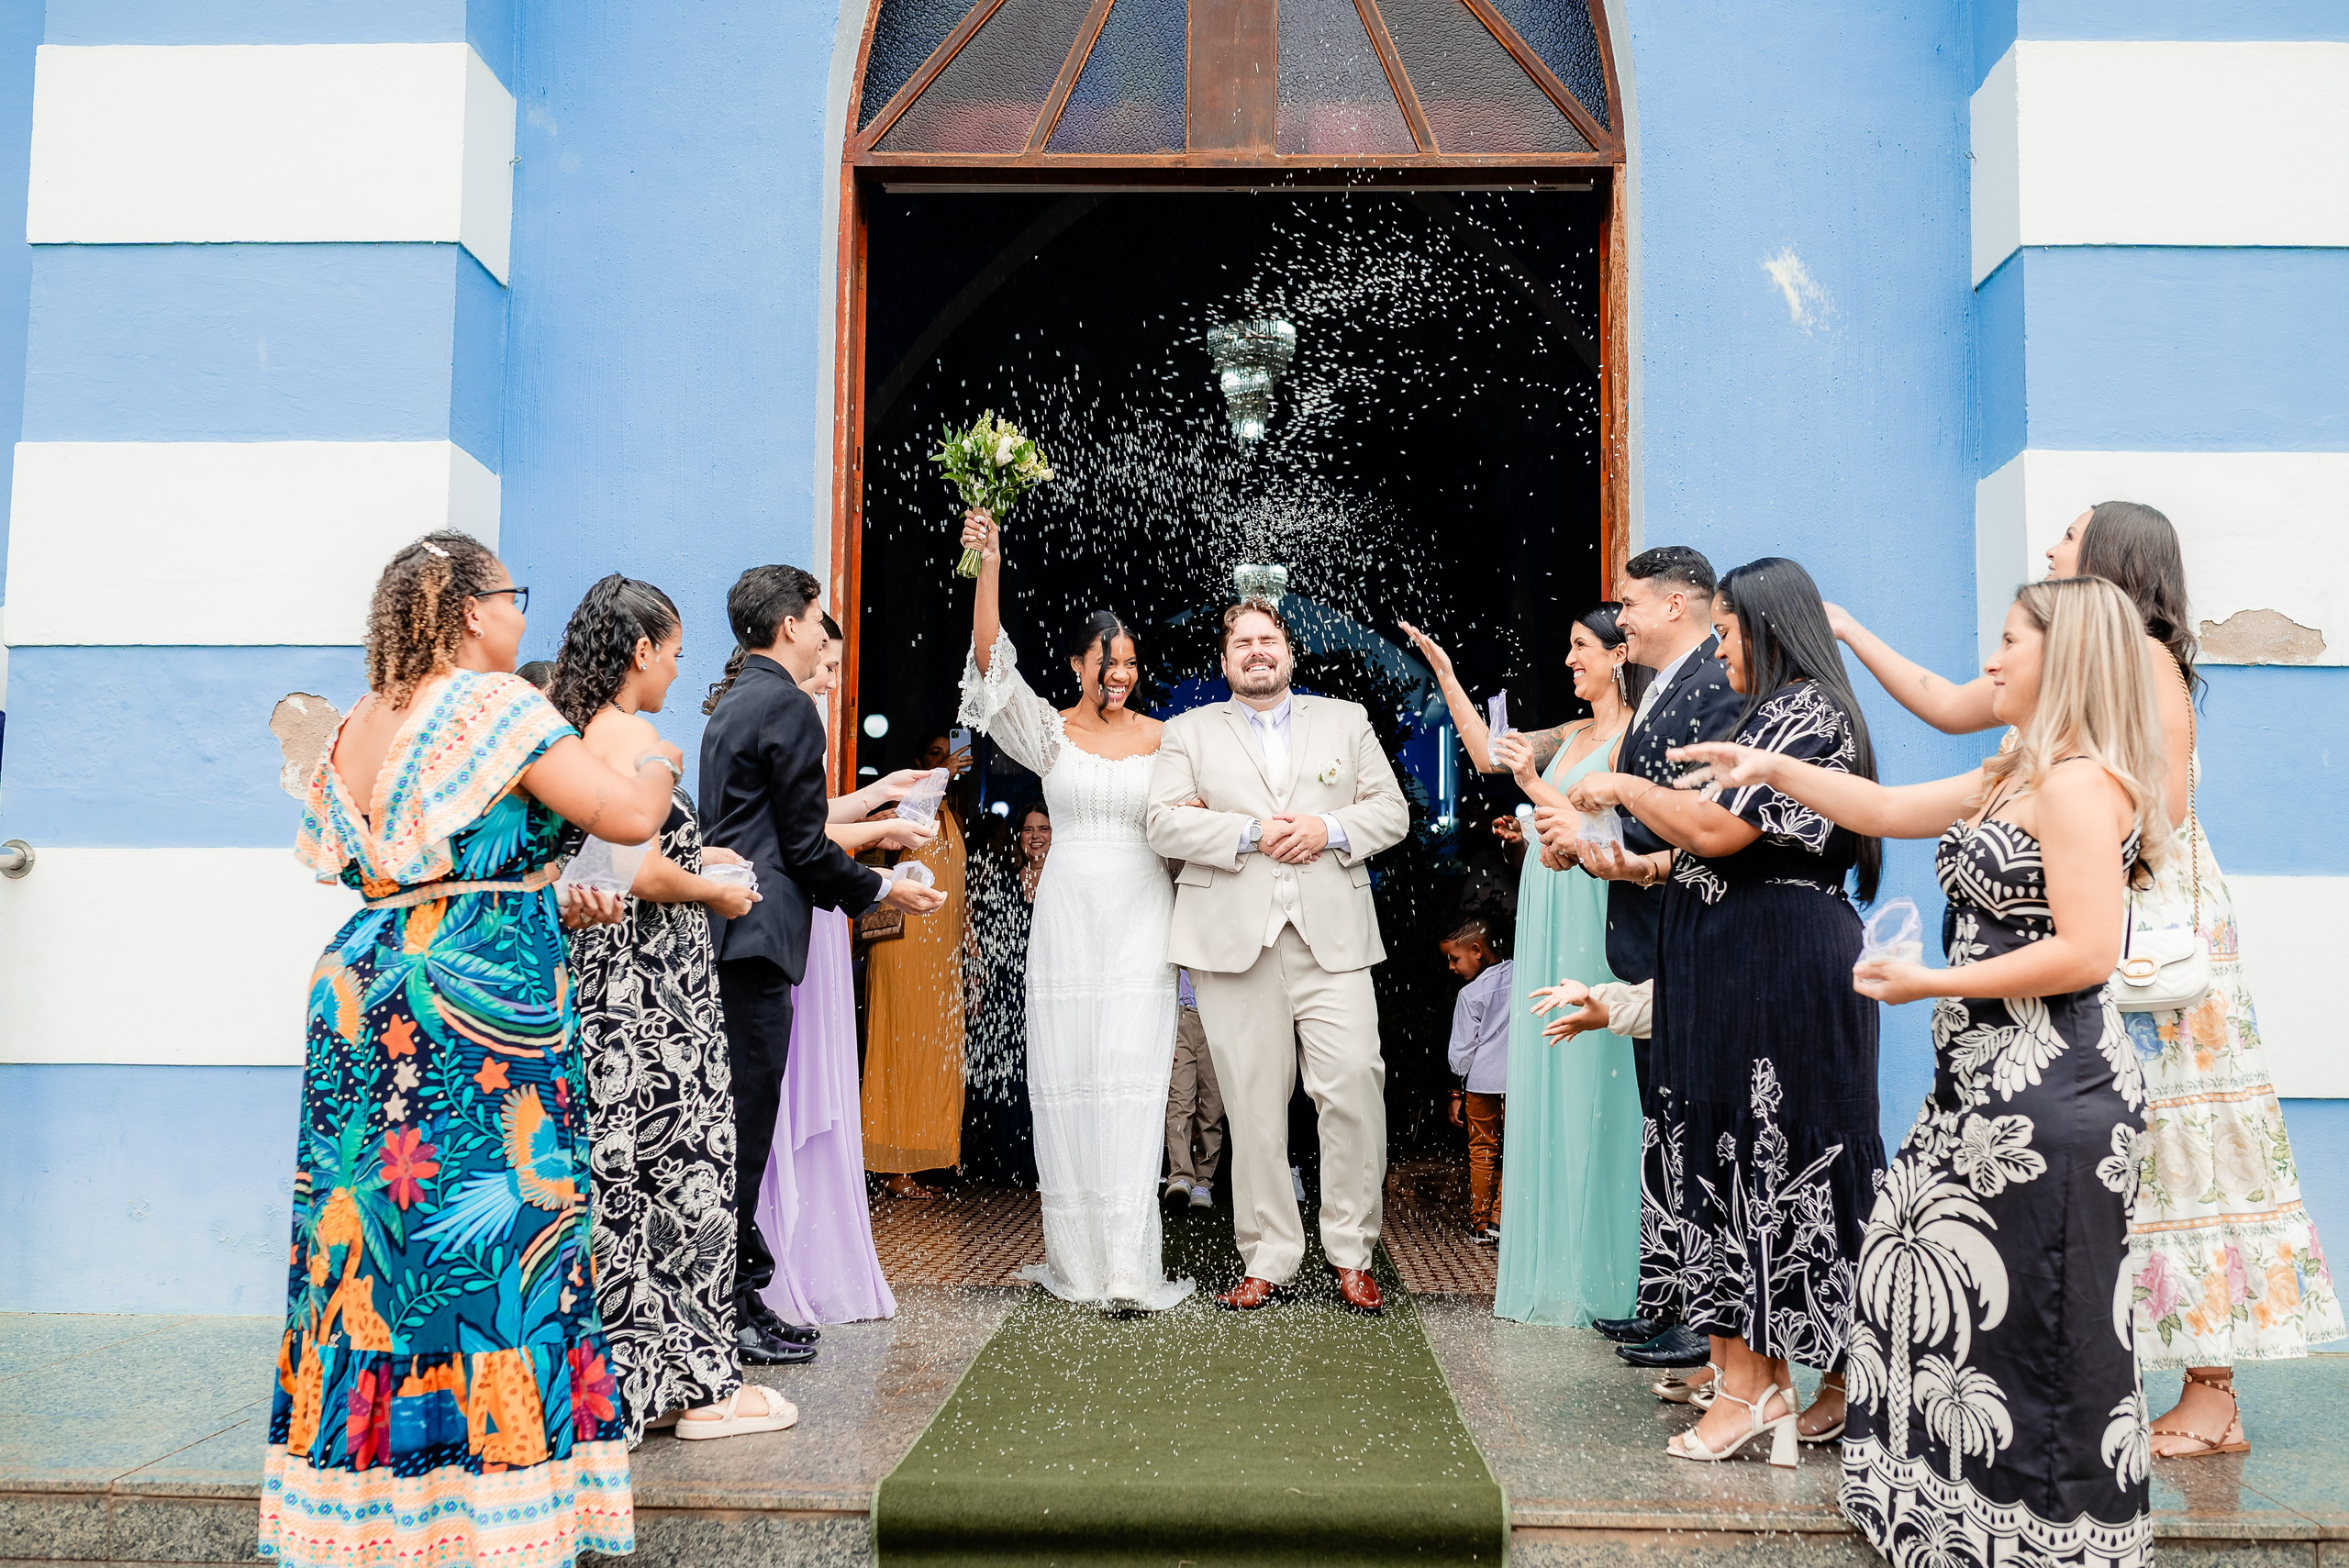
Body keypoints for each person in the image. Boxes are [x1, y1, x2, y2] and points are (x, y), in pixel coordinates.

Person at [1829, 502, 2341, 1457]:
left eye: (2071, 533)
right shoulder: (2065, 664)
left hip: (2153, 911)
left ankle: (2213, 1389)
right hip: (2110, 889)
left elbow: (2167, 803)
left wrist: (2072, 797)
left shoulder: (2136, 660)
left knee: (2181, 1133)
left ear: (2109, 559)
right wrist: (1852, 632)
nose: (2055, 543)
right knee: (2134, 1145)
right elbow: (1945, 703)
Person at [1676, 574, 2165, 1565]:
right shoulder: (2016, 770)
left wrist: (1930, 978)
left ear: (2061, 657)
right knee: (1923, 1290)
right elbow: (1888, 806)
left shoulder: (2076, 784)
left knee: (2040, 1322)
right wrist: (1765, 764)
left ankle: (2048, 1534)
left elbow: (2087, 952)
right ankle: (1954, 1522)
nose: (1988, 662)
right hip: (1976, 1086)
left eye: (2008, 643)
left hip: (2049, 1089)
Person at [266, 532, 677, 1564]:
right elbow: (629, 813)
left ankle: (368, 1511)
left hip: (363, 990)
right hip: (471, 1001)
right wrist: (657, 752)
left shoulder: (359, 721)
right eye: (511, 596)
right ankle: (485, 1515)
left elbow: (434, 871)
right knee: (491, 1240)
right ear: (465, 608)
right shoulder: (494, 704)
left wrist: (542, 901)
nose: (521, 617)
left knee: (374, 1244)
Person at [1569, 558, 1885, 1462]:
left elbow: (1720, 831)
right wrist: (1631, 862)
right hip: (1732, 956)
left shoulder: (1805, 717)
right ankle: (1771, 1380)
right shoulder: (1769, 715)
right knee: (1727, 1153)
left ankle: (1753, 1388)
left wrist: (1622, 790)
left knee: (1760, 1156)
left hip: (1774, 966)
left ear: (1769, 631)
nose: (1721, 645)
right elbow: (1714, 852)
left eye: (1732, 631)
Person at [551, 574, 797, 1441]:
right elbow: (636, 868)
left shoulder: (575, 732)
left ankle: (626, 1377)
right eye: (676, 653)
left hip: (609, 988)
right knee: (684, 1172)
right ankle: (696, 1388)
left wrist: (704, 853)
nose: (677, 672)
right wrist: (716, 892)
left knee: (621, 1180)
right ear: (642, 650)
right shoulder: (631, 735)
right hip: (651, 998)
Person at [700, 566, 945, 1358]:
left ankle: (746, 1290)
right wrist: (883, 888)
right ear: (789, 626)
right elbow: (803, 849)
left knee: (745, 1126)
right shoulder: (790, 708)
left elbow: (774, 826)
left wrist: (871, 801)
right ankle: (733, 1309)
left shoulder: (735, 704)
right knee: (749, 1128)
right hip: (763, 934)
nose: (822, 634)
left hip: (732, 930)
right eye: (817, 619)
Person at [1146, 597, 1412, 1314]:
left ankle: (1352, 1251)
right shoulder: (1188, 732)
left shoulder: (1345, 720)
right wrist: (1248, 832)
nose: (1257, 651)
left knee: (1355, 1082)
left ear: (1289, 652)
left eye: (1268, 640)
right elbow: (1162, 820)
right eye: (1243, 643)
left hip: (1334, 937)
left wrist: (1325, 827)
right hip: (1233, 939)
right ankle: (1269, 1257)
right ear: (1225, 660)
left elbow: (1391, 812)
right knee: (1253, 1104)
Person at [956, 508, 1191, 1307]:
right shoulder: (1050, 734)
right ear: (1078, 663)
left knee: (1131, 1076)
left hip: (1140, 919)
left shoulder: (1166, 738)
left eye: (1129, 662)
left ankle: (1129, 1262)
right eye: (1107, 660)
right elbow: (990, 664)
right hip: (1068, 919)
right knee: (1073, 1073)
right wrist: (991, 558)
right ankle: (1082, 1261)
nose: (1121, 673)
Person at [1408, 605, 1642, 1324]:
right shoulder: (1570, 734)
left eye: (1580, 647)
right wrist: (1445, 674)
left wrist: (1544, 800)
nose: (1569, 660)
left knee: (1599, 1079)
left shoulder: (1643, 735)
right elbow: (1486, 754)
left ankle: (1611, 1272)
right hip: (1547, 907)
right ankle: (1555, 1263)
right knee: (1545, 1074)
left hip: (1595, 910)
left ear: (1618, 655)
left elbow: (1628, 828)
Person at [1543, 547, 1742, 1369]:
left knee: (1693, 1129)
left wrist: (1618, 847)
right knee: (1665, 1128)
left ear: (1675, 604)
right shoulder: (1662, 687)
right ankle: (1663, 1296)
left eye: (1627, 604)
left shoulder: (1717, 684)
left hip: (1685, 926)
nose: (1618, 618)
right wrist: (1595, 850)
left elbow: (1701, 813)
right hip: (1646, 929)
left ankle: (1700, 1316)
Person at [756, 617, 924, 1324]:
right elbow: (798, 837)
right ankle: (780, 1262)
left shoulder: (788, 723)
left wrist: (881, 791)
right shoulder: (777, 718)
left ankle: (813, 1253)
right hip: (801, 908)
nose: (831, 681)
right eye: (826, 665)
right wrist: (882, 838)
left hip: (820, 915)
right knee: (789, 1091)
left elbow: (816, 816)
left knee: (818, 1087)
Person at [861, 728, 973, 1195]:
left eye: (951, 757)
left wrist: (970, 949)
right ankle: (891, 1162)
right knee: (899, 1043)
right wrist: (937, 778)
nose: (945, 763)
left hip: (941, 953)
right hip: (903, 946)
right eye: (934, 755)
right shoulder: (912, 805)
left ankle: (927, 1155)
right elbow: (901, 830)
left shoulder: (953, 817)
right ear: (919, 762)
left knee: (935, 1048)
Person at [963, 800, 1048, 1190]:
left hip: (1047, 994)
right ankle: (1005, 1163)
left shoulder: (1063, 886)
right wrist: (979, 985)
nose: (1036, 837)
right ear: (1019, 837)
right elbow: (981, 934)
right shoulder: (1004, 882)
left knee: (1042, 1078)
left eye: (1043, 829)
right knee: (1008, 1078)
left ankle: (1040, 1166)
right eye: (1029, 829)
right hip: (1005, 993)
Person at [1440, 918, 1512, 1243]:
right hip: (1518, 1082)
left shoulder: (1470, 995)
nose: (1451, 966)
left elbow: (1461, 1051)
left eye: (1455, 958)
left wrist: (1456, 1090)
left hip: (1482, 1083)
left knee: (1482, 1149)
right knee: (1516, 1149)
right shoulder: (1522, 975)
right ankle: (1500, 1217)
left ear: (1477, 951)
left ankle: (1480, 1223)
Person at [1163, 967, 1225, 1211]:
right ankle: (1180, 1176)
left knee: (1212, 1104)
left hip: (1216, 1017)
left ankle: (1203, 1182)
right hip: (1181, 1017)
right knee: (1180, 1099)